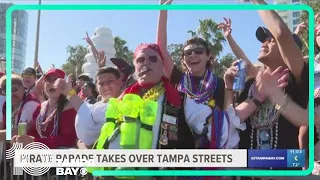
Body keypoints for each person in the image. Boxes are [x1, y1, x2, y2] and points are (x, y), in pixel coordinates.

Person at [224, 0, 308, 177]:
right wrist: (228, 87)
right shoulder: (250, 85)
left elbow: (282, 33)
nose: (264, 43)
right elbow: (229, 122)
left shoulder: (295, 80)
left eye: (271, 41)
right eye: (264, 40)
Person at [57, 67, 123, 149]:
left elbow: (91, 112)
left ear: (120, 81)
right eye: (101, 83)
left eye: (110, 81)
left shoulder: (129, 103)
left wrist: (69, 93)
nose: (106, 86)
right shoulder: (96, 105)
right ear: (97, 87)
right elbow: (82, 139)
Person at [12, 69, 77, 149]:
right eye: (48, 80)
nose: (52, 83)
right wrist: (21, 139)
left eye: (56, 80)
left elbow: (68, 139)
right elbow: (34, 131)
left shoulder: (70, 107)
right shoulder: (41, 107)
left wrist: (35, 142)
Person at [0, 74, 40, 141]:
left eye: (14, 89)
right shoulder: (6, 105)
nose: (12, 94)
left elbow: (20, 132)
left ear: (23, 87)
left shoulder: (31, 103)